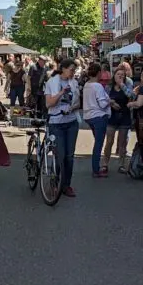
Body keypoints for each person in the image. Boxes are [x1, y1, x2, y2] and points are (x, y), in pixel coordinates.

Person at [44, 58, 81, 197]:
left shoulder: (74, 82)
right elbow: (49, 104)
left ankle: (66, 185)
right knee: (60, 155)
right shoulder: (51, 82)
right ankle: (55, 183)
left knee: (70, 157)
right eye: (71, 70)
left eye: (74, 70)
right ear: (63, 68)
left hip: (71, 122)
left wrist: (72, 108)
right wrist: (61, 92)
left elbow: (78, 103)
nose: (73, 73)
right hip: (56, 123)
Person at [82, 62, 112, 178]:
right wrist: (110, 101)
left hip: (88, 116)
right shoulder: (98, 86)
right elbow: (102, 103)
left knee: (97, 142)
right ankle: (96, 169)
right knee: (98, 144)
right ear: (99, 73)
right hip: (98, 116)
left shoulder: (86, 85)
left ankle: (96, 167)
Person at [104, 63, 134, 173]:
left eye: (122, 75)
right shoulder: (109, 86)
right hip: (112, 116)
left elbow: (131, 96)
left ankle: (121, 164)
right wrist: (111, 103)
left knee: (122, 142)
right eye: (118, 74)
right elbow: (104, 98)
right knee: (109, 141)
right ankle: (105, 163)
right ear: (114, 75)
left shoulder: (127, 84)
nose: (120, 76)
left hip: (124, 116)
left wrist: (122, 85)